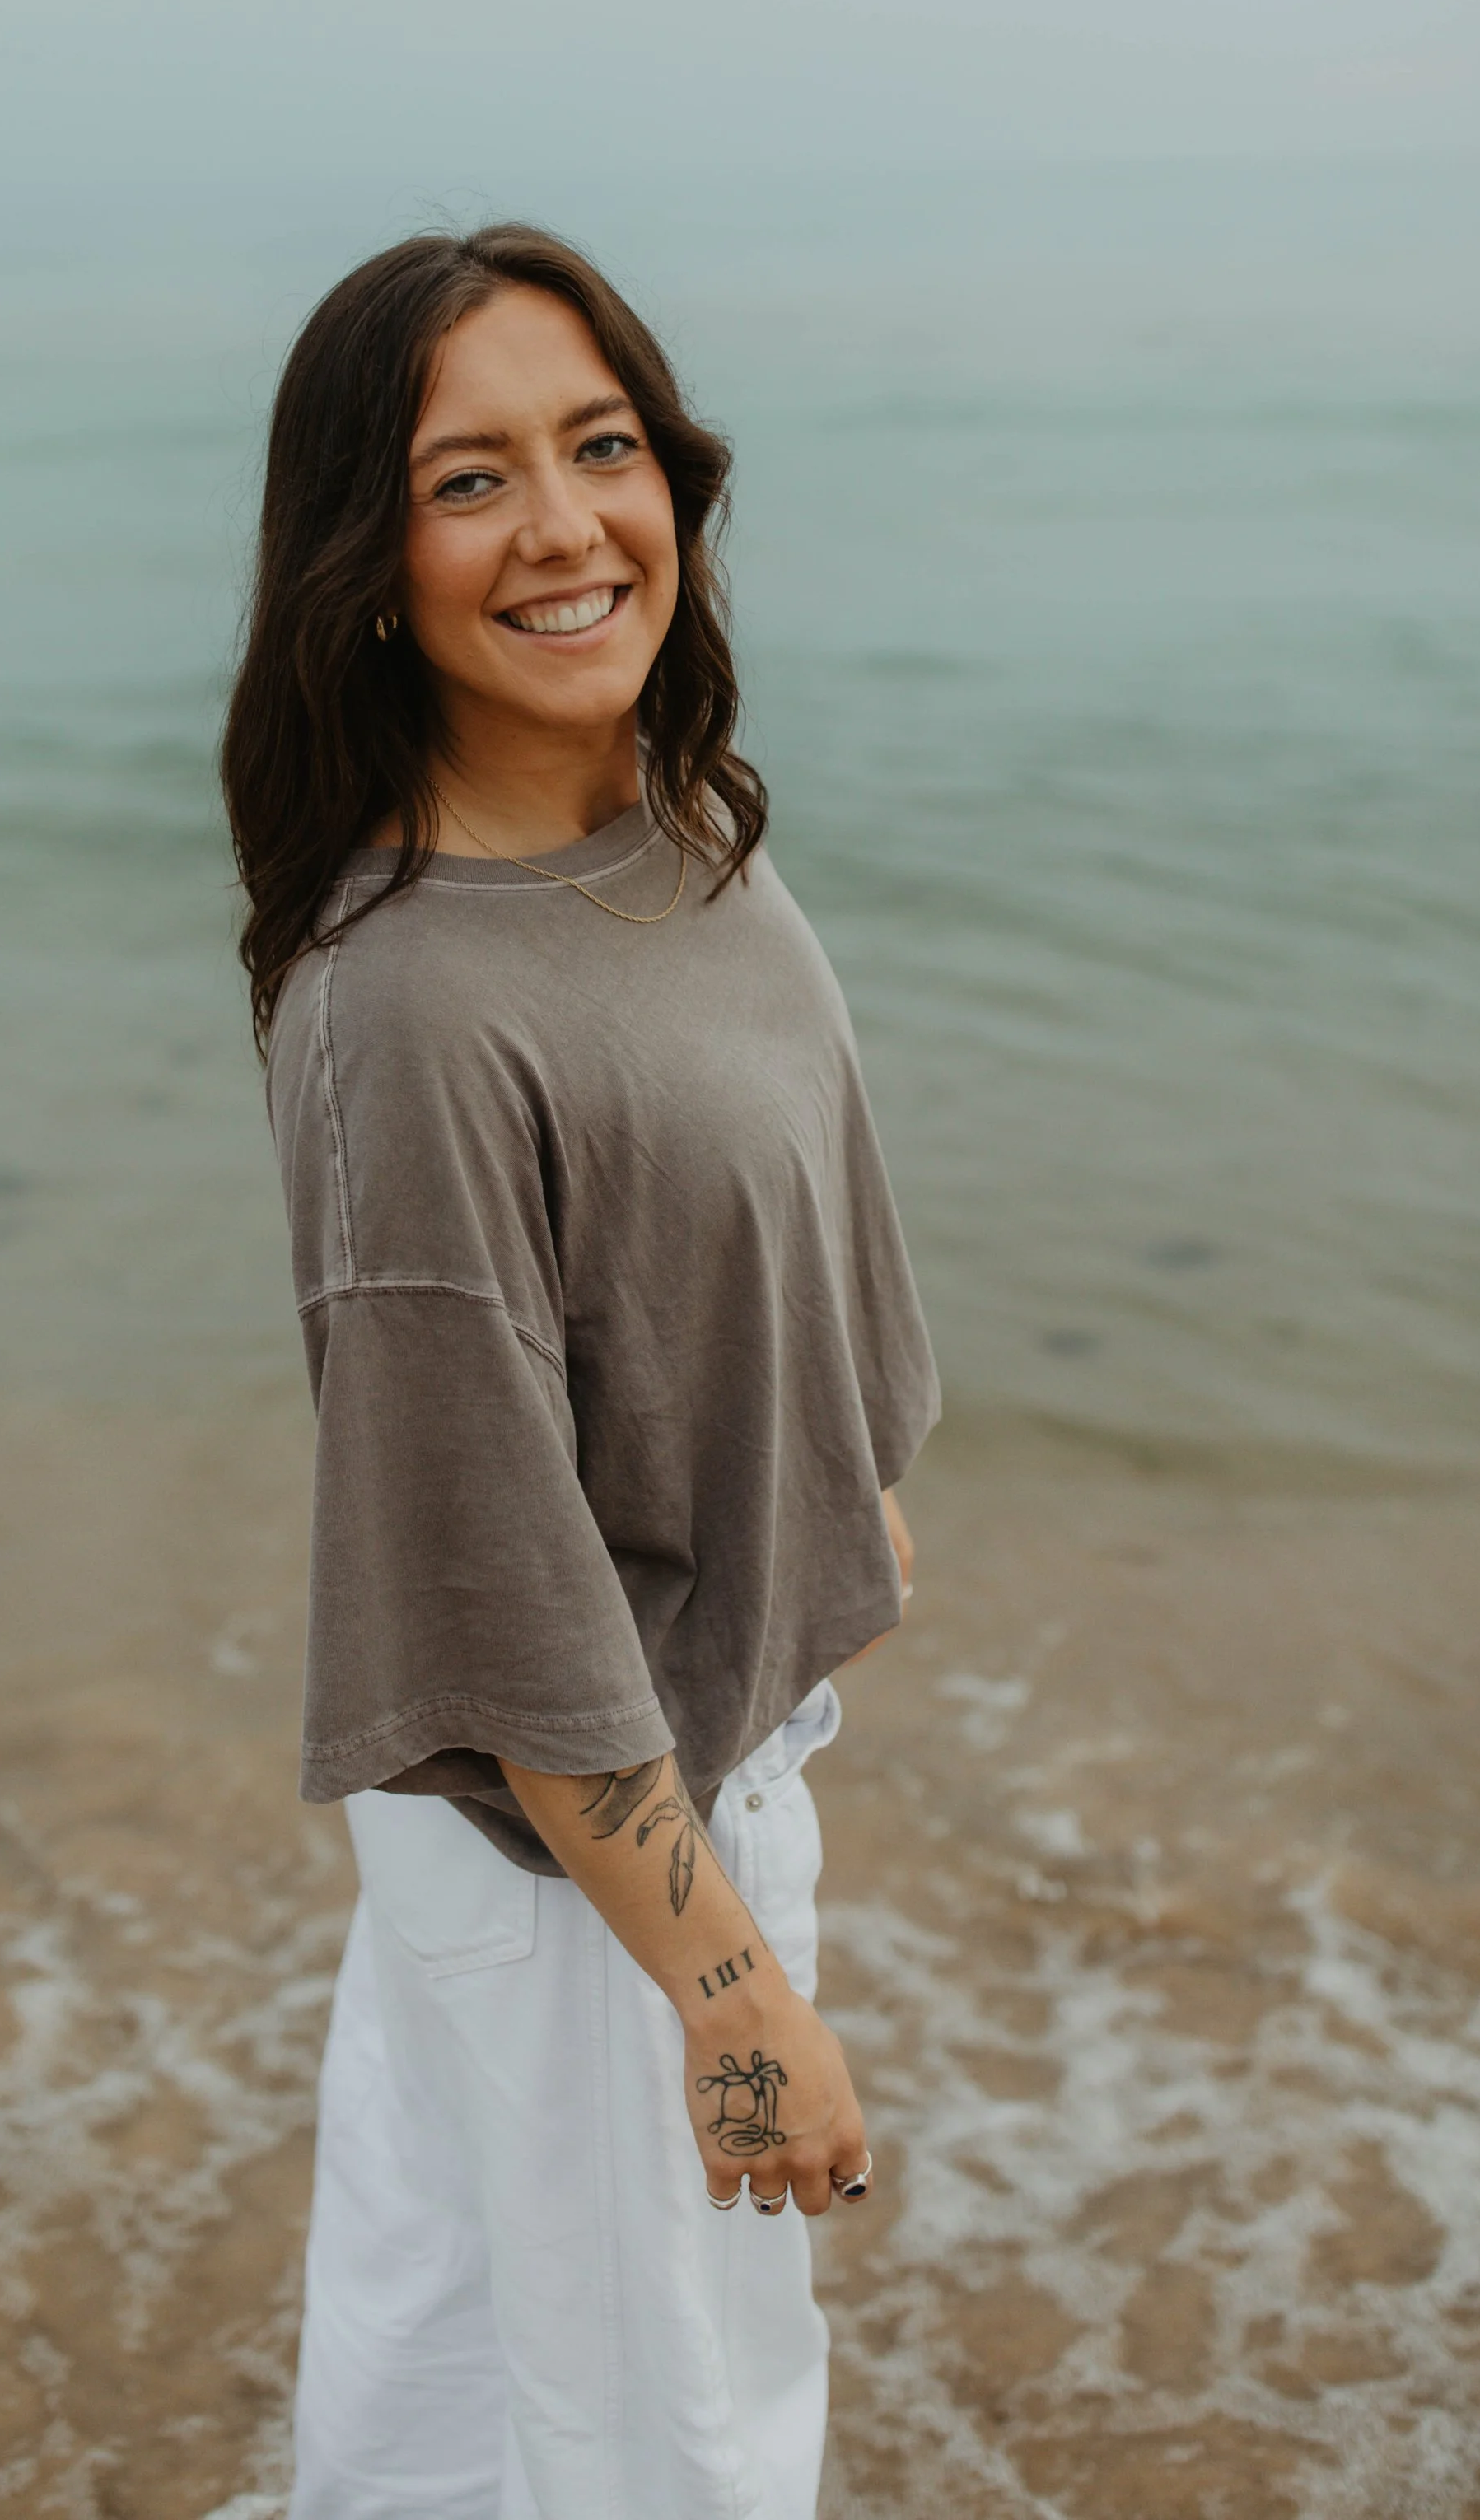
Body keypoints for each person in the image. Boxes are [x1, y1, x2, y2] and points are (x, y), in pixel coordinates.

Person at [221, 225, 939, 2520]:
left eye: (600, 445)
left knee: (439, 2366)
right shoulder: (407, 1006)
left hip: (670, 1782)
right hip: (586, 1869)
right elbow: (484, 1570)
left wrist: (840, 1490)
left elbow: (786, 1219)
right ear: (362, 565)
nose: (562, 526)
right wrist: (729, 1995)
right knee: (678, 2444)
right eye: (467, 480)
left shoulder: (683, 831)